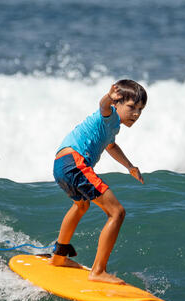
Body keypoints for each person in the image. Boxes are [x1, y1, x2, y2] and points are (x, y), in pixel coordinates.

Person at [51, 79, 147, 284]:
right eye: (132, 107)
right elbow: (103, 105)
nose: (137, 114)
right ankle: (98, 271)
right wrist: (108, 97)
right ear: (117, 103)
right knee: (117, 212)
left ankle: (58, 257)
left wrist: (129, 166)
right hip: (74, 162)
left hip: (62, 164)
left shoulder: (113, 127)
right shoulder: (109, 115)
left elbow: (111, 147)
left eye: (140, 109)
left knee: (80, 206)